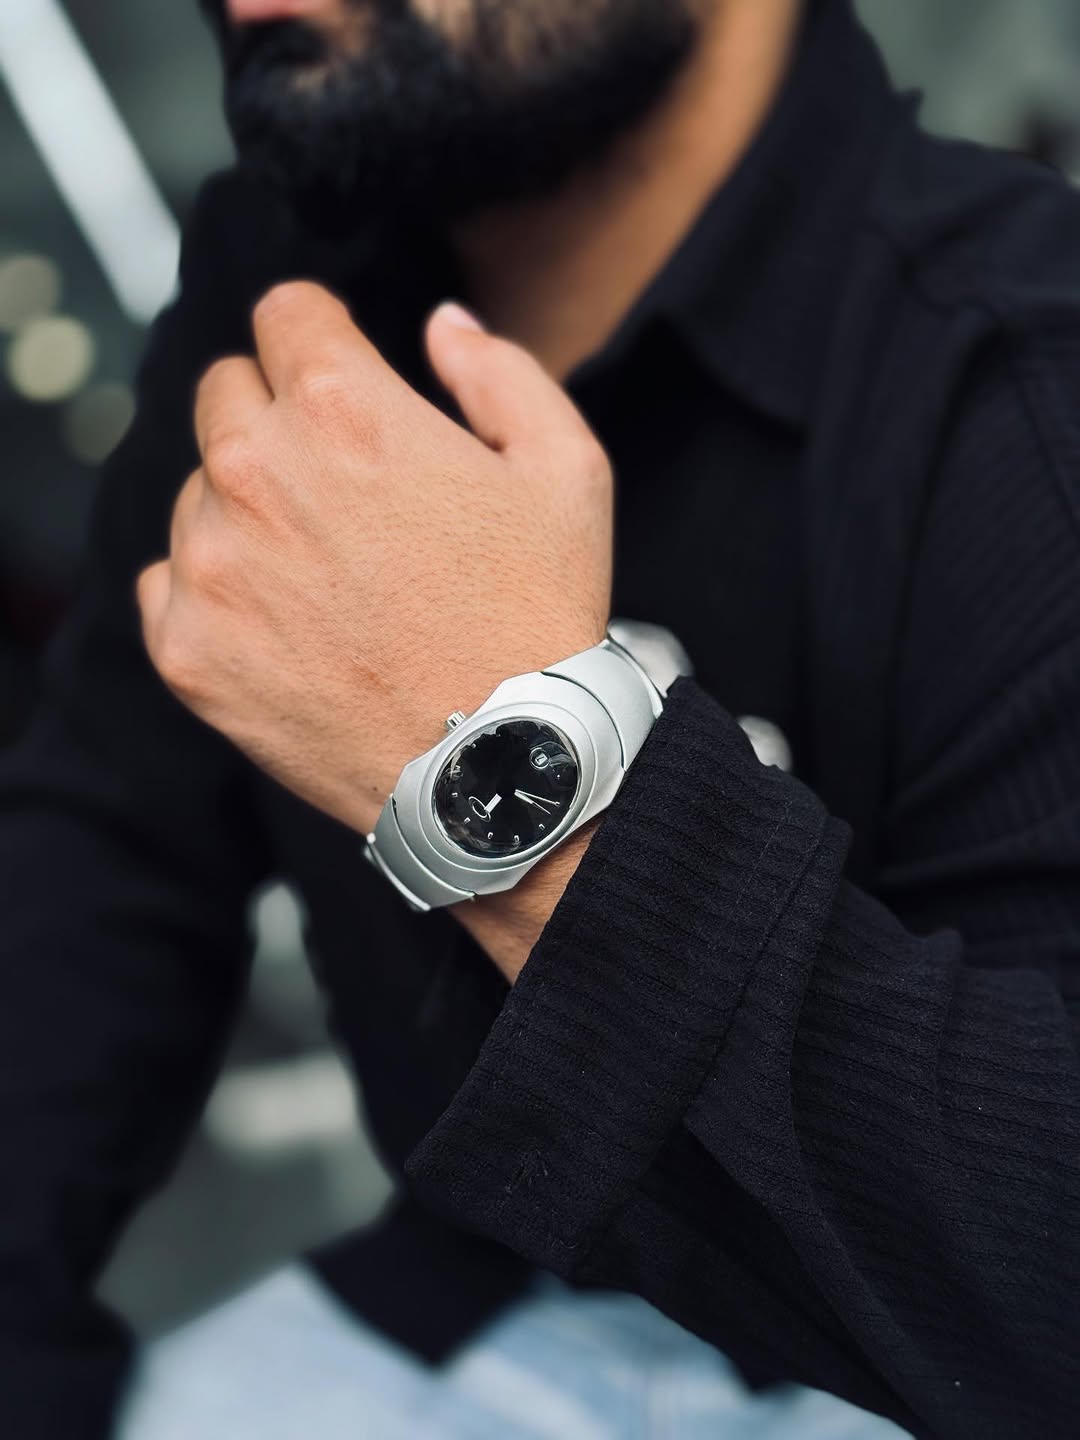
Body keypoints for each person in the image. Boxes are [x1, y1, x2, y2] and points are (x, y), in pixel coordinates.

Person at [1, 0, 1078, 1435]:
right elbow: (103, 862)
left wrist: (514, 766)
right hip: (449, 1315)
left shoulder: (1033, 372)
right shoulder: (276, 291)